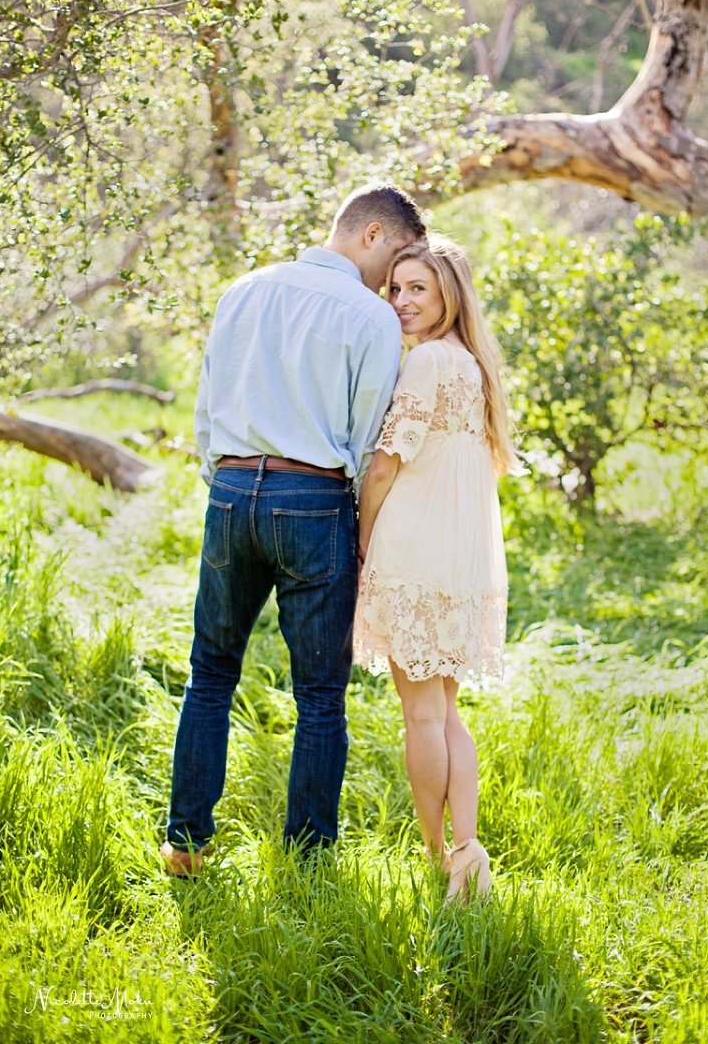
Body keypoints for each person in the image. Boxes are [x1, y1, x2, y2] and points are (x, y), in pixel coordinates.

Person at [160, 184, 426, 877]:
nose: (392, 282)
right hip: (313, 497)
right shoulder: (369, 319)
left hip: (229, 488)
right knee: (318, 693)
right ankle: (307, 860)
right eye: (394, 258)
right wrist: (362, 529)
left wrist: (226, 482)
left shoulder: (243, 290)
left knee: (210, 673)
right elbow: (369, 440)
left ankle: (184, 844)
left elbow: (206, 405)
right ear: (370, 233)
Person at [354, 236, 518, 902]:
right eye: (394, 289)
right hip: (458, 559)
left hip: (413, 552)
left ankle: (437, 856)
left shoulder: (425, 364)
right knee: (445, 711)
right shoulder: (474, 368)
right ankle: (468, 848)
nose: (401, 301)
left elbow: (387, 463)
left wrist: (362, 541)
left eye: (416, 288)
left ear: (449, 291)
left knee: (420, 716)